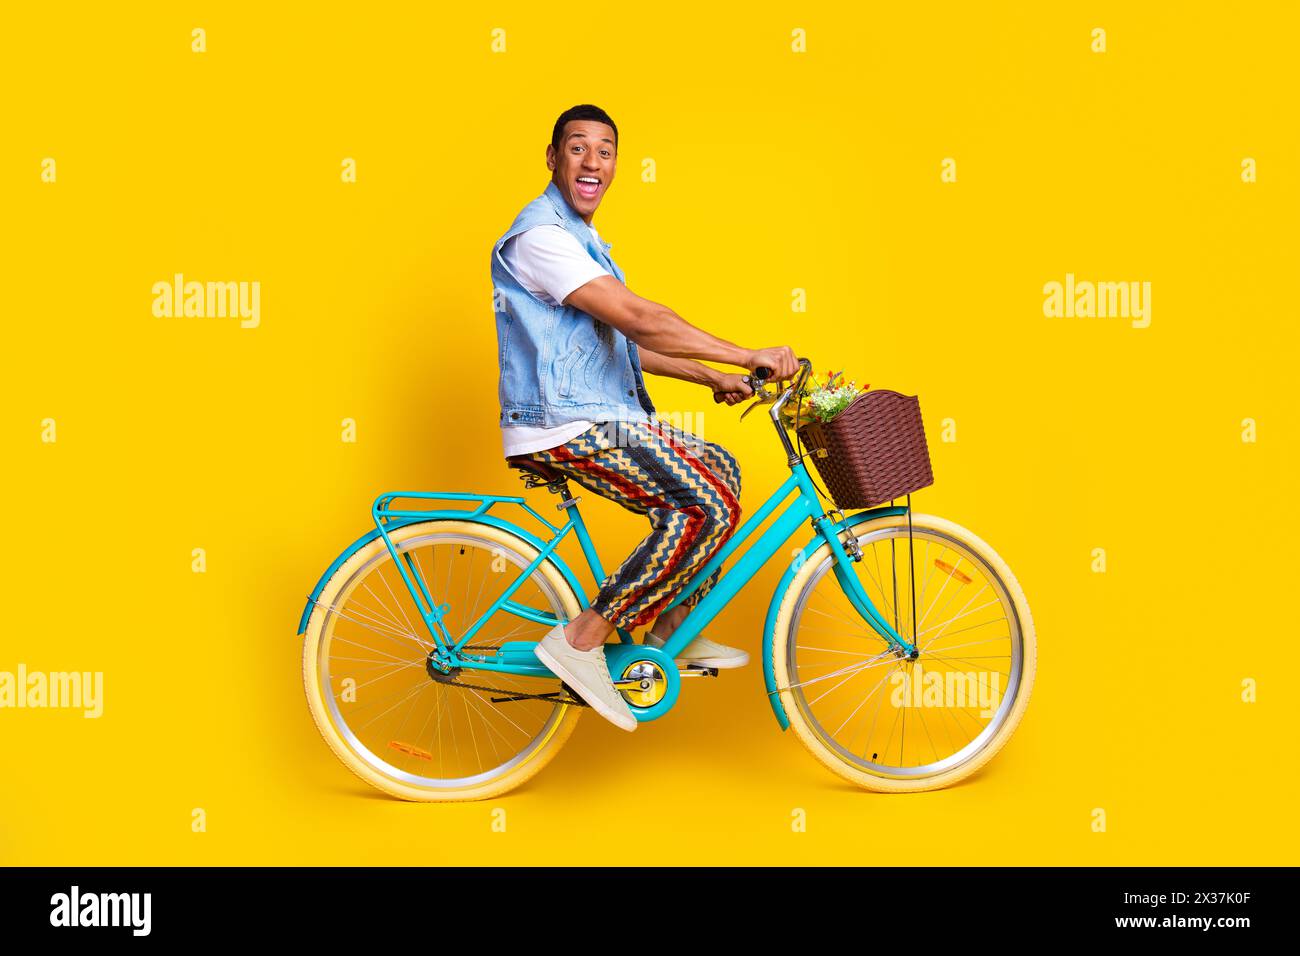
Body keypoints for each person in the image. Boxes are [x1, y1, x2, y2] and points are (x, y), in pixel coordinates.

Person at [489, 103, 799, 731]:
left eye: (605, 151)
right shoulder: (542, 239)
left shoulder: (584, 244)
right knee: (703, 505)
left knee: (721, 468)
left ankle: (672, 627)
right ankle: (580, 640)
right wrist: (746, 351)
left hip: (594, 411)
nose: (592, 162)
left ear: (614, 166)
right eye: (578, 148)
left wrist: (713, 376)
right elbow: (640, 319)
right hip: (562, 422)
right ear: (553, 158)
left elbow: (624, 344)